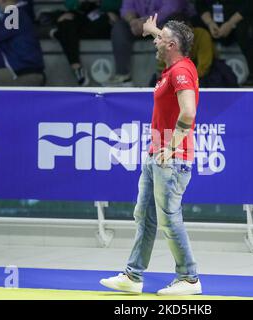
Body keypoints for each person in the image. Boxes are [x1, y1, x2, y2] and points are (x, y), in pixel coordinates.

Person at [100, 15, 202, 296]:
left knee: (170, 219)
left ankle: (189, 278)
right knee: (144, 216)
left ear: (170, 45)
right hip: (156, 156)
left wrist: (170, 147)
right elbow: (172, 38)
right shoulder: (174, 66)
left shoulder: (181, 71)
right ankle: (133, 276)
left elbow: (189, 111)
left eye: (159, 38)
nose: (154, 41)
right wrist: (151, 29)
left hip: (172, 158)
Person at [106, 0, 194, 86]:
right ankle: (123, 77)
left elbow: (173, 7)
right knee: (120, 28)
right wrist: (132, 20)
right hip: (139, 26)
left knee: (176, 23)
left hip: (162, 21)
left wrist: (146, 21)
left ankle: (178, 74)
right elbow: (126, 8)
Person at [50, 0, 122, 86]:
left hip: (103, 13)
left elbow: (120, 3)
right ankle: (77, 68)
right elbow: (69, 3)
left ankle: (59, 34)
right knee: (65, 21)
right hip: (82, 13)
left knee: (108, 20)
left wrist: (101, 2)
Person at [196, 0, 253, 87]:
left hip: (238, 20)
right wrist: (210, 23)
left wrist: (230, 23)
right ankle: (197, 72)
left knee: (247, 28)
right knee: (194, 26)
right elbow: (200, 4)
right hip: (214, 23)